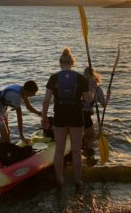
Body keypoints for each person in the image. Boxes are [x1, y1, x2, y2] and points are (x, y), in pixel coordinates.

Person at [41, 48, 94, 187]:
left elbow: (46, 100)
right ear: (73, 62)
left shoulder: (54, 78)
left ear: (60, 63)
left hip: (60, 118)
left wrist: (44, 117)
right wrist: (92, 89)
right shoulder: (80, 78)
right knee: (76, 151)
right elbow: (88, 100)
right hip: (77, 117)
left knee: (59, 150)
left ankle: (60, 180)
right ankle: (78, 180)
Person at [82, 67, 110, 159]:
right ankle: (89, 157)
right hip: (85, 116)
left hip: (74, 115)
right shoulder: (97, 89)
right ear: (94, 75)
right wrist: (108, 97)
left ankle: (81, 153)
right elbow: (104, 105)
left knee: (81, 137)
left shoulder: (78, 85)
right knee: (91, 138)